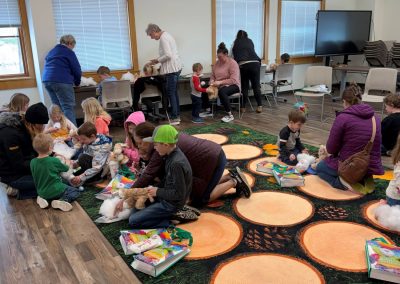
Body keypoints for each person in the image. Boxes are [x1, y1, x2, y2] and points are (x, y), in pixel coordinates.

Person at [129, 122, 251, 206]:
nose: (139, 147)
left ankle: (234, 181)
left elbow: (149, 174)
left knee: (201, 198)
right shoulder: (162, 138)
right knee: (191, 187)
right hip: (210, 155)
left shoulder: (159, 146)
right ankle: (230, 177)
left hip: (212, 159)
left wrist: (129, 192)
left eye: (140, 143)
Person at [316, 84, 384, 191]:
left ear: (344, 101)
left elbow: (331, 149)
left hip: (350, 165)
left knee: (320, 168)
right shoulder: (376, 118)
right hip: (369, 166)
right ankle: (362, 178)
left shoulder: (343, 118)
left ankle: (342, 183)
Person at [127, 125, 192, 228]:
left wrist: (157, 191)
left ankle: (171, 220)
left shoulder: (176, 164)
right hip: (164, 196)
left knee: (133, 221)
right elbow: (168, 180)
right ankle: (164, 216)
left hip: (171, 204)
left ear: (165, 145)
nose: (154, 148)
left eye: (155, 145)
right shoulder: (170, 155)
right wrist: (153, 189)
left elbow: (179, 194)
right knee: (135, 208)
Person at [0, 103, 49, 199]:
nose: (43, 127)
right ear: (33, 123)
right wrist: (44, 164)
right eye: (41, 124)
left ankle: (23, 189)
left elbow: (35, 150)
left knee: (55, 178)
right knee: (53, 181)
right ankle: (18, 191)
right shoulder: (10, 135)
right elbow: (18, 164)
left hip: (25, 167)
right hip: (12, 175)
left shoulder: (26, 127)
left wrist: (51, 156)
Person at [30, 133, 80, 212]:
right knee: (75, 191)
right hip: (56, 190)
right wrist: (67, 162)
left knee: (55, 182)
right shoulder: (54, 161)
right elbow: (66, 169)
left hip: (41, 191)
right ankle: (62, 200)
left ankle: (42, 198)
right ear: (50, 148)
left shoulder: (32, 162)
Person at [146, 23, 182, 125]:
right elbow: (168, 54)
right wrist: (157, 60)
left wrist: (157, 60)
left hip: (172, 69)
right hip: (175, 68)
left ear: (154, 31)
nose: (152, 38)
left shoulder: (163, 38)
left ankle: (176, 117)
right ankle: (176, 114)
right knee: (173, 92)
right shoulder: (166, 35)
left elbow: (168, 55)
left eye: (151, 35)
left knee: (171, 93)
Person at [42, 34, 82, 126]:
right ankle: (73, 134)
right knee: (68, 107)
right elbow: (76, 69)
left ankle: (60, 131)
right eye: (73, 46)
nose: (73, 48)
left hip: (47, 80)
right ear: (70, 43)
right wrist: (77, 82)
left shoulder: (52, 51)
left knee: (57, 108)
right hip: (61, 81)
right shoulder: (68, 52)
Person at [71, 122, 112, 186]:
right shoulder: (91, 140)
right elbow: (87, 153)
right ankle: (85, 175)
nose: (81, 141)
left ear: (92, 136)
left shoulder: (102, 147)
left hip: (99, 171)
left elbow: (97, 168)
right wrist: (77, 163)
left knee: (82, 157)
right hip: (92, 164)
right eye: (80, 139)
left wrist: (81, 177)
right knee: (73, 174)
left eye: (83, 139)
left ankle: (95, 179)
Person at [232, 30, 263, 113]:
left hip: (244, 65)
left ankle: (243, 107)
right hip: (255, 63)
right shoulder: (250, 41)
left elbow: (234, 56)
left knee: (244, 86)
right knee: (256, 86)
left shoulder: (236, 42)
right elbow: (252, 52)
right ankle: (259, 106)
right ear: (246, 35)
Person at [211, 42, 241, 123]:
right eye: (218, 57)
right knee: (204, 89)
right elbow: (212, 75)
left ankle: (230, 115)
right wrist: (212, 82)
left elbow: (234, 80)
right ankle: (208, 110)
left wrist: (220, 82)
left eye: (220, 57)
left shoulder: (233, 63)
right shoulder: (217, 63)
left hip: (234, 85)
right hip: (219, 84)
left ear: (226, 54)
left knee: (222, 92)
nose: (219, 59)